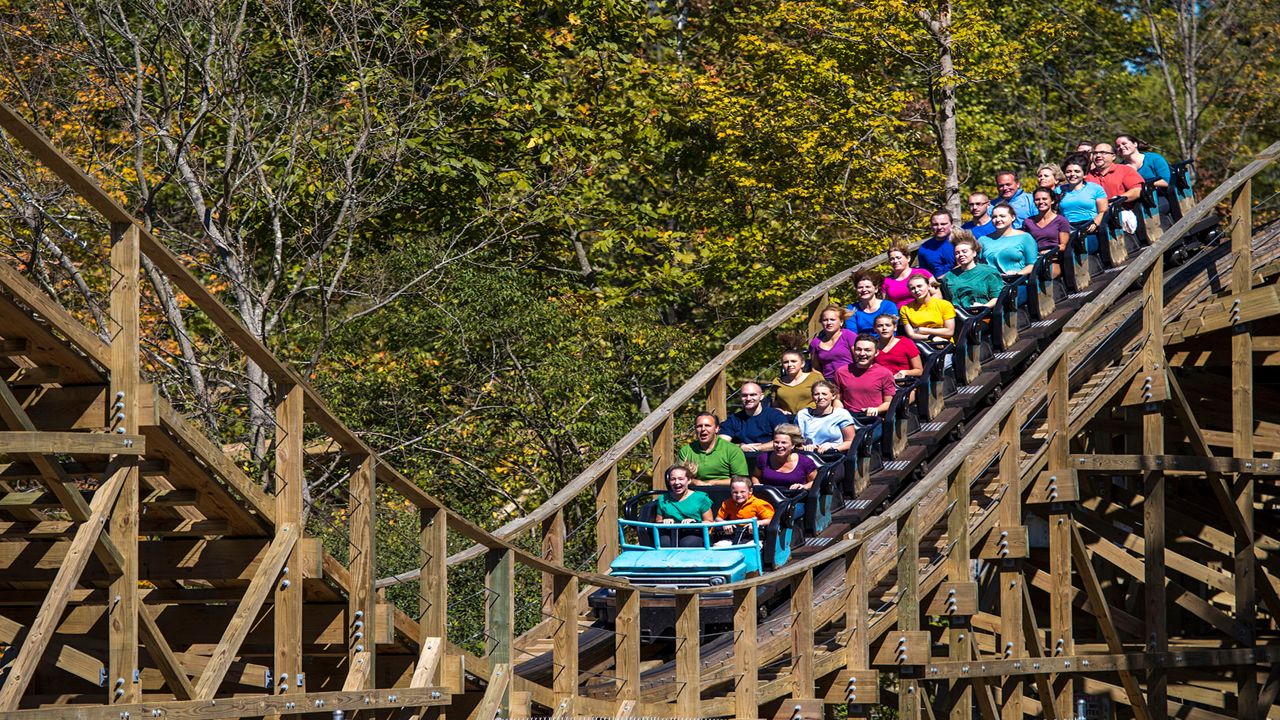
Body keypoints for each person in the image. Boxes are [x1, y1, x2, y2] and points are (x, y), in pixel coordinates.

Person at [832, 335, 897, 418]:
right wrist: (838, 408)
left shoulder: (885, 374)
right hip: (849, 418)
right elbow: (838, 399)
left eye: (867, 350)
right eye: (858, 350)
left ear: (876, 352)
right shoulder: (841, 372)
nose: (862, 354)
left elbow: (889, 403)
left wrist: (877, 409)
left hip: (874, 418)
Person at [677, 412, 749, 485]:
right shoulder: (686, 451)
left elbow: (741, 480)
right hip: (695, 492)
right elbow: (679, 478)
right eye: (699, 426)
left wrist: (713, 483)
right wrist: (694, 482)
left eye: (707, 426)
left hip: (725, 492)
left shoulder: (732, 450)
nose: (703, 429)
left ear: (717, 429)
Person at [719, 382, 791, 453]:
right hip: (742, 459)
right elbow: (721, 443)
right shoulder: (733, 419)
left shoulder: (775, 416)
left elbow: (785, 441)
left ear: (761, 396)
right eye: (744, 395)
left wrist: (757, 448)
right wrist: (740, 447)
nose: (748, 398)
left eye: (753, 395)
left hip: (770, 458)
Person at [654, 463, 713, 547]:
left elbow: (710, 522)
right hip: (670, 532)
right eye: (673, 479)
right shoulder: (663, 499)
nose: (676, 482)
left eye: (680, 479)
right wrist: (665, 522)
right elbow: (658, 521)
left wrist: (695, 523)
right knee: (664, 543)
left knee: (687, 543)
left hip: (694, 532)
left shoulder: (701, 498)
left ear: (688, 480)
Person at [1058, 153, 1109, 248]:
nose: (1072, 174)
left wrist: (1095, 223)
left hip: (1089, 226)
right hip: (1067, 228)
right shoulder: (1059, 190)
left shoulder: (1095, 189)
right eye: (1068, 171)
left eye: (1077, 171)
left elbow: (1103, 211)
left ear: (1084, 174)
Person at [1116, 133, 1172, 215]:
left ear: (1135, 144)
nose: (1121, 147)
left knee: (1146, 212)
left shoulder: (1154, 158)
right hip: (1133, 202)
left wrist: (1141, 185)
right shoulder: (1120, 168)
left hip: (1159, 197)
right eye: (1118, 146)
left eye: (1124, 143)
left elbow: (1166, 181)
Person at [942, 235, 1004, 308]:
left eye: (964, 251)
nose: (961, 255)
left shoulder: (989, 273)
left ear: (974, 253)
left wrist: (984, 307)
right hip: (958, 315)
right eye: (957, 253)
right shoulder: (949, 277)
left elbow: (998, 297)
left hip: (984, 315)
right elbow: (947, 302)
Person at [752, 424, 820, 490]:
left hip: (795, 498)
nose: (779, 445)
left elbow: (815, 482)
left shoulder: (806, 462)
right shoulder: (763, 458)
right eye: (776, 442)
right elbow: (756, 476)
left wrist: (804, 486)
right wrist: (757, 485)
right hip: (767, 498)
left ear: (793, 445)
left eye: (783, 442)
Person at [979, 205, 1039, 277]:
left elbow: (1032, 265)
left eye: (1002, 216)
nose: (998, 219)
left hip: (1015, 283)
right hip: (989, 283)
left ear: (1013, 217)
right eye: (994, 217)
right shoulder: (983, 240)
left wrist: (1017, 274)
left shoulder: (1025, 238)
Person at [714, 477, 775, 546]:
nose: (739, 495)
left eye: (742, 492)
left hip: (754, 536)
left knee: (750, 548)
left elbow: (771, 520)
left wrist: (757, 523)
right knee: (718, 546)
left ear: (750, 491)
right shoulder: (727, 503)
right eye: (735, 492)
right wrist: (724, 523)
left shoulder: (759, 504)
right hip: (733, 535)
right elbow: (718, 518)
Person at [807, 305, 859, 380]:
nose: (829, 323)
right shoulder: (815, 343)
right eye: (825, 320)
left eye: (832, 319)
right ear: (821, 322)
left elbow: (858, 360)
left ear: (841, 322)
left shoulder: (849, 336)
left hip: (850, 378)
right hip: (828, 381)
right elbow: (815, 368)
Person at [900, 274, 956, 343]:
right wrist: (930, 337)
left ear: (928, 286)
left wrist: (923, 330)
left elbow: (949, 331)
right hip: (921, 345)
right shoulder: (905, 309)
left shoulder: (944, 305)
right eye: (912, 288)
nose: (917, 290)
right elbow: (911, 334)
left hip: (944, 344)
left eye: (919, 286)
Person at [1086, 142, 1144, 207]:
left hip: (1124, 212)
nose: (1098, 155)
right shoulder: (1087, 176)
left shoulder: (1125, 170)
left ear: (1113, 156)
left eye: (1103, 153)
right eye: (1095, 153)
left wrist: (1117, 200)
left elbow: (1137, 190)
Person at [844, 269, 898, 334]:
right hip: (861, 342)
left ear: (876, 289)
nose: (864, 290)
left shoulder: (888, 306)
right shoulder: (851, 308)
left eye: (868, 287)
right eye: (860, 287)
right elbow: (852, 333)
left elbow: (891, 330)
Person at [871, 313, 922, 382]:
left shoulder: (906, 343)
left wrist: (905, 372)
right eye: (880, 326)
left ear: (895, 327)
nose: (884, 328)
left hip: (903, 384)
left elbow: (919, 370)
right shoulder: (872, 345)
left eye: (888, 325)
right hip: (880, 383)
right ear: (875, 329)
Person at [883, 243, 934, 308]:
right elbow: (886, 305)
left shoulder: (922, 273)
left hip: (926, 311)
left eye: (898, 258)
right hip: (900, 315)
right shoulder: (886, 281)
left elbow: (936, 293)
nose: (895, 261)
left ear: (908, 258)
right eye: (892, 259)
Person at [1023, 187, 1071, 254]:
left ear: (1052, 201)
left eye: (1044, 199)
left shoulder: (1061, 221)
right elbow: (1026, 244)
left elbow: (1063, 246)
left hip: (1054, 256)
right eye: (1037, 199)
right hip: (1034, 256)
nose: (1041, 202)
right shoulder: (1028, 222)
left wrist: (1049, 252)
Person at [771, 349, 820, 414]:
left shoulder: (815, 378)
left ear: (802, 363)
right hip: (787, 419)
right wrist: (781, 411)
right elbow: (774, 406)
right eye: (786, 362)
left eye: (793, 361)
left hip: (813, 416)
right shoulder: (777, 382)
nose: (789, 364)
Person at [916, 211, 956, 277]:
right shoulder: (924, 248)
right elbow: (924, 273)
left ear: (951, 224)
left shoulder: (959, 243)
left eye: (943, 224)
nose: (939, 227)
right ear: (931, 226)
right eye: (935, 224)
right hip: (935, 285)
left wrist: (943, 277)